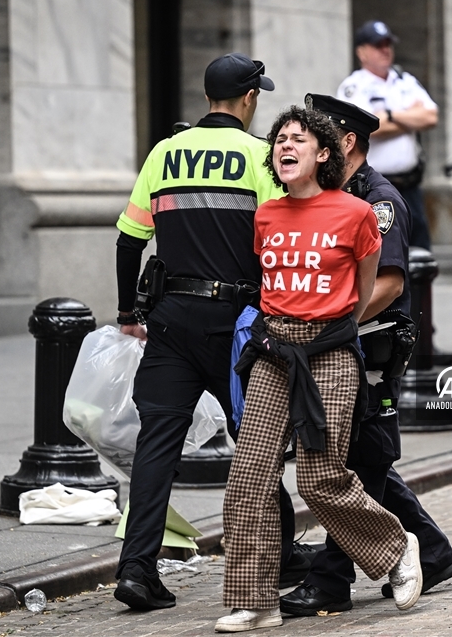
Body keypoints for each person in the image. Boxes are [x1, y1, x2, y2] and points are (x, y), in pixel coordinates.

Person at [218, 106, 422, 633]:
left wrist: (332, 324)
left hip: (329, 354)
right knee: (249, 476)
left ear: (324, 153)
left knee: (319, 476)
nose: (285, 146)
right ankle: (254, 600)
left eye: (298, 140)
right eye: (280, 139)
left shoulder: (355, 213)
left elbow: (367, 284)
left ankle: (398, 548)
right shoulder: (266, 215)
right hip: (274, 352)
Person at [279, 94, 452, 618]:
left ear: (347, 142)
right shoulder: (329, 194)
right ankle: (435, 552)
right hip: (337, 344)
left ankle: (332, 579)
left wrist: (331, 322)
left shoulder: (380, 201)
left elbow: (387, 284)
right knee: (365, 457)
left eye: (317, 136)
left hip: (370, 345)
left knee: (363, 456)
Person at [112, 54, 280, 610]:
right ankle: (280, 555)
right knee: (255, 441)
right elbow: (280, 238)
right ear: (250, 99)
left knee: (157, 444)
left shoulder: (164, 152)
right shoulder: (259, 156)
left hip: (169, 321)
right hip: (236, 326)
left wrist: (127, 313)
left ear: (209, 97)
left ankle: (136, 570)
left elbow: (129, 240)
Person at [337, 20, 438, 250]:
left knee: (420, 254)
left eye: (388, 44)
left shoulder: (404, 81)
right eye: (378, 45)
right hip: (374, 187)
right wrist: (410, 118)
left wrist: (390, 114)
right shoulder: (353, 87)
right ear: (362, 52)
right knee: (382, 252)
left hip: (410, 185)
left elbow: (431, 117)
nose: (386, 49)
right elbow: (365, 127)